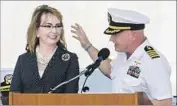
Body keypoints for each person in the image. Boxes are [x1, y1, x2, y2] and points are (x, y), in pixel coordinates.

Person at [71, 8, 172, 105]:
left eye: (115, 34)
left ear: (132, 35)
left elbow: (165, 103)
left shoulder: (153, 61)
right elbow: (110, 69)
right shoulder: (123, 55)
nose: (111, 39)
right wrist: (87, 45)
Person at [10, 5, 79, 94]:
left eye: (58, 26)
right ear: (36, 31)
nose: (54, 31)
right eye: (48, 26)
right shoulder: (23, 60)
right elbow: (14, 95)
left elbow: (71, 97)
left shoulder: (70, 59)